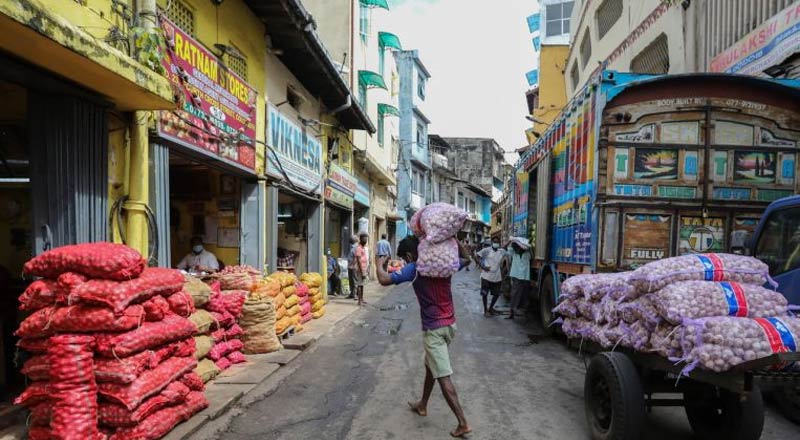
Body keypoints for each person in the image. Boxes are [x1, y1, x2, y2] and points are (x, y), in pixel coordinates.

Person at [376, 236, 472, 438]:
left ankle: (463, 423)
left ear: (410, 255)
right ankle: (422, 404)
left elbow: (384, 279)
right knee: (431, 365)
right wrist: (455, 241)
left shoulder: (416, 268)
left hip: (434, 329)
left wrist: (378, 262)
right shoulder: (443, 264)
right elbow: (468, 259)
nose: (405, 261)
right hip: (450, 325)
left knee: (443, 375)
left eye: (405, 258)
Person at [474, 237, 505, 317]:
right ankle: (485, 310)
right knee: (485, 294)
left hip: (497, 277)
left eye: (498, 242)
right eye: (495, 242)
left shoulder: (501, 251)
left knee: (497, 294)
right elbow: (476, 256)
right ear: (492, 242)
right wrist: (482, 266)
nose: (496, 243)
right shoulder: (486, 250)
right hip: (486, 276)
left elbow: (505, 247)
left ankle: (491, 308)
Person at [506, 237, 531, 320]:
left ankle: (521, 311)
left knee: (524, 296)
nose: (517, 249)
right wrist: (512, 240)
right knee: (514, 294)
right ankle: (512, 312)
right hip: (516, 277)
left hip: (524, 278)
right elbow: (507, 248)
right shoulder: (513, 253)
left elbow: (528, 249)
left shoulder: (527, 254)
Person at [354, 233, 370, 306]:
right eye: (364, 238)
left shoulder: (363, 248)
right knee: (359, 284)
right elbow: (359, 260)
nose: (365, 240)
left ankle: (362, 299)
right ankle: (359, 300)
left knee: (362, 284)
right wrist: (362, 271)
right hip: (360, 269)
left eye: (366, 239)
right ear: (360, 239)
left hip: (364, 268)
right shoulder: (359, 248)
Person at [347, 235, 358, 299]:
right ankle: (352, 293)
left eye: (351, 240)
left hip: (354, 266)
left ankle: (356, 294)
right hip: (351, 266)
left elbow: (356, 258)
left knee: (354, 280)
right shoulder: (352, 247)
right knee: (351, 280)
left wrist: (352, 265)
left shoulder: (355, 247)